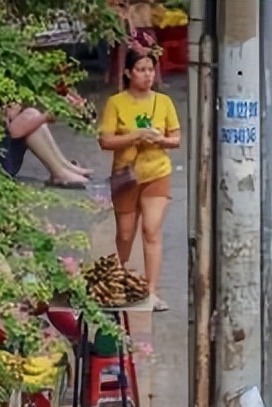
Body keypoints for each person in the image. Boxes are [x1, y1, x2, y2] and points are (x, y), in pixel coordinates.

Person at [98, 50, 182, 311]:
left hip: (157, 170)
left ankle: (151, 291)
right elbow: (105, 140)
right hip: (126, 174)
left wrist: (159, 140)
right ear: (128, 73)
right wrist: (135, 136)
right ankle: (118, 282)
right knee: (125, 233)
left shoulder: (164, 101)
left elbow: (176, 139)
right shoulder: (116, 103)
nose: (147, 75)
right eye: (141, 70)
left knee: (151, 230)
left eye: (150, 69)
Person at [0, 102, 93, 189]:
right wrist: (45, 117)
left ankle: (64, 165)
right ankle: (59, 173)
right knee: (31, 124)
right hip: (2, 164)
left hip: (7, 153)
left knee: (31, 114)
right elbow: (14, 132)